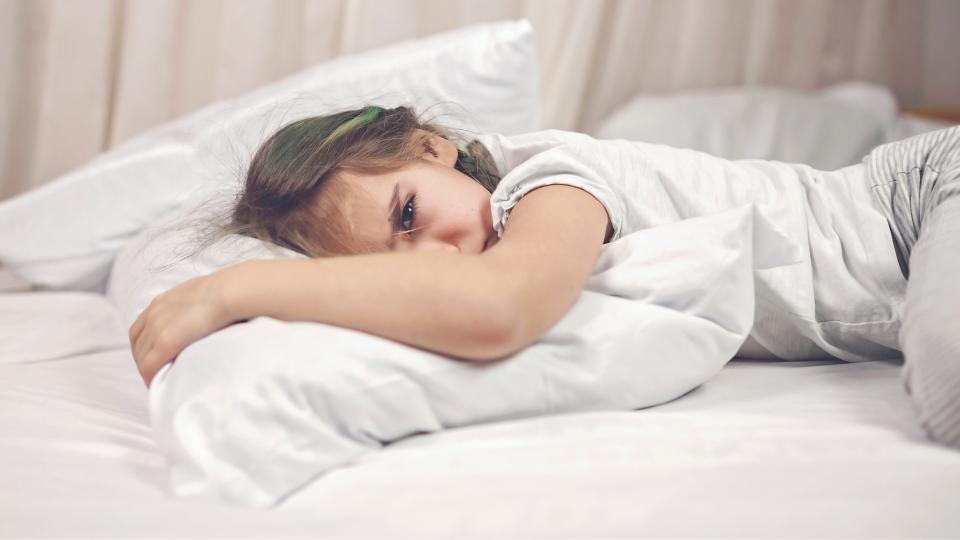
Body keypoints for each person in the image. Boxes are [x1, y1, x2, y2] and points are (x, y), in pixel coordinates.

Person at [128, 104, 960, 449]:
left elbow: (498, 311)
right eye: (395, 268)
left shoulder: (552, 181)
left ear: (429, 147)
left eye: (410, 218)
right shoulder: (490, 215)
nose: (438, 260)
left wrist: (225, 291)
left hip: (926, 197)